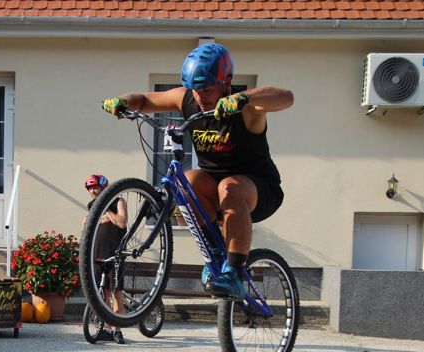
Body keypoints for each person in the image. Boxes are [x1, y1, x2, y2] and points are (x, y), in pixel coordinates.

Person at [102, 42, 293, 300]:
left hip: (258, 190)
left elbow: (286, 97)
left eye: (206, 89)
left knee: (229, 186)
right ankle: (214, 256)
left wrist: (244, 98)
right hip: (214, 189)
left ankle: (234, 274)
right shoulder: (187, 98)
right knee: (186, 181)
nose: (200, 97)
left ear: (226, 83)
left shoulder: (245, 108)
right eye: (195, 90)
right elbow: (144, 100)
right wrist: (122, 102)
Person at [81, 174, 127, 344]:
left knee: (116, 292)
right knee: (104, 293)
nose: (93, 191)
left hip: (115, 252)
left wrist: (106, 210)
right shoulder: (92, 207)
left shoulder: (118, 201)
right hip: (97, 253)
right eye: (90, 189)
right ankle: (107, 329)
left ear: (104, 187)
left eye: (95, 188)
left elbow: (122, 223)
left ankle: (118, 330)